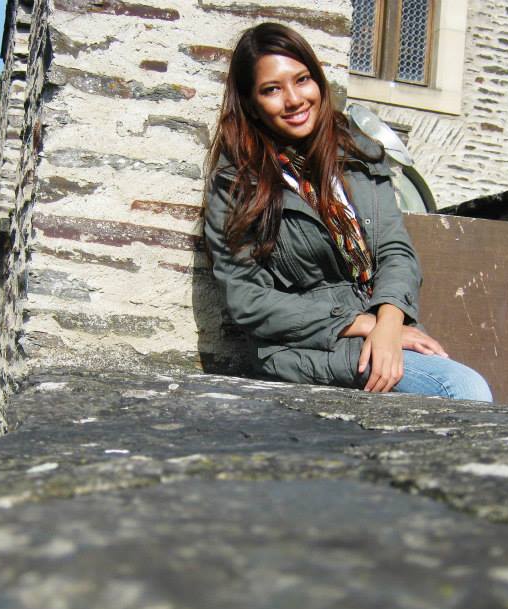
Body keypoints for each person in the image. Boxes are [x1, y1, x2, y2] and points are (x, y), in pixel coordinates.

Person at [203, 22, 492, 402]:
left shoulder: (357, 156)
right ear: (252, 105)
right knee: (460, 389)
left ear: (319, 82)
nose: (293, 99)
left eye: (302, 80)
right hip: (303, 346)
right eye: (271, 90)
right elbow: (248, 299)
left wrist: (388, 323)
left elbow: (395, 251)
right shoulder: (238, 182)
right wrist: (363, 324)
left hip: (382, 330)